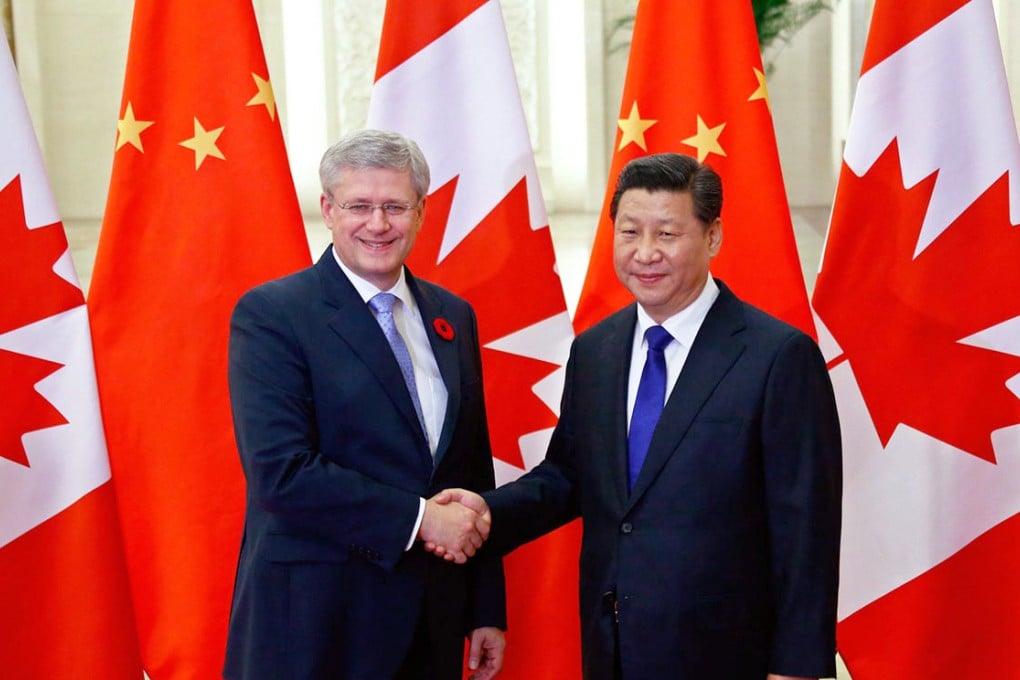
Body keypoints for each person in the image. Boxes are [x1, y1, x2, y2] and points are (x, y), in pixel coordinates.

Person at [437, 152, 842, 679]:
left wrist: (797, 669)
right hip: (614, 648)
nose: (645, 253)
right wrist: (487, 514)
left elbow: (806, 529)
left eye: (667, 234)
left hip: (728, 654)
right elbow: (570, 476)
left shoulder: (777, 357)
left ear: (713, 237)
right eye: (629, 232)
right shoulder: (597, 349)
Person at [223, 129, 506, 680]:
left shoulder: (454, 316)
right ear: (328, 210)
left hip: (431, 622)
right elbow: (280, 473)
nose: (377, 224)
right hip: (315, 625)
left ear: (421, 212)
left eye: (395, 207)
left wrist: (485, 608)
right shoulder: (273, 314)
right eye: (359, 206)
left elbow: (472, 469)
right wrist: (423, 520)